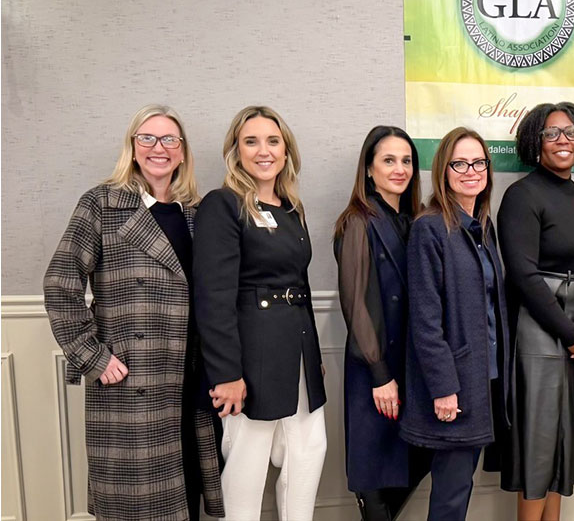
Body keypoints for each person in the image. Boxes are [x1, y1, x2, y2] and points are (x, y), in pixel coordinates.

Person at [43, 104, 224, 521]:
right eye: (147, 138)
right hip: (133, 384)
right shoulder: (102, 204)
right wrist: (93, 357)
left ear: (182, 152)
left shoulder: (196, 214)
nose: (158, 148)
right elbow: (60, 283)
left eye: (169, 140)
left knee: (188, 494)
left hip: (190, 379)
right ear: (132, 146)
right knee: (137, 505)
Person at [193, 106, 326, 521]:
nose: (263, 151)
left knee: (308, 455)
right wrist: (226, 374)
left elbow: (299, 286)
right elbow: (213, 297)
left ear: (286, 152)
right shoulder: (223, 205)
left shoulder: (291, 209)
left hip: (298, 354)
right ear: (236, 150)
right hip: (249, 360)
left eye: (273, 141)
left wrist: (314, 359)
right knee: (246, 469)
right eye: (251, 141)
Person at [497, 102, 574, 521]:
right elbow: (525, 277)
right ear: (535, 141)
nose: (562, 140)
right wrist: (572, 335)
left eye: (571, 132)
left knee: (564, 445)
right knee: (538, 450)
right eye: (551, 133)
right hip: (540, 334)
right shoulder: (521, 196)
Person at [399, 127, 510, 520]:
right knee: (450, 494)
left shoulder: (482, 226)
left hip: (486, 379)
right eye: (459, 163)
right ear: (443, 171)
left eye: (478, 162)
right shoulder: (430, 228)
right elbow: (425, 320)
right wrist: (444, 388)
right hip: (455, 384)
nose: (471, 170)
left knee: (460, 487)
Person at [334, 126, 431, 520]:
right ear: (369, 170)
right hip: (375, 367)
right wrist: (379, 374)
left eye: (406, 160)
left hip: (411, 367)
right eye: (388, 160)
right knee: (374, 475)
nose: (400, 169)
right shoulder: (358, 220)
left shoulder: (414, 220)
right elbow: (354, 302)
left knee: (416, 460)